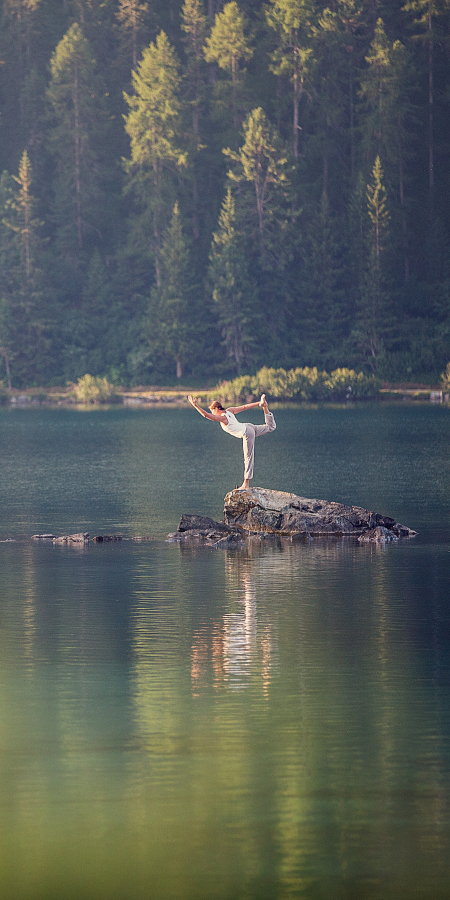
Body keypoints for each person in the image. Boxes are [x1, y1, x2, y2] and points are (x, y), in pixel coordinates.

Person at [187, 392, 276, 491]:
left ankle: (246, 484)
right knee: (270, 427)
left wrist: (195, 405)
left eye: (212, 411)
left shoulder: (223, 418)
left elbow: (206, 415)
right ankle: (265, 407)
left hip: (247, 432)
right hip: (248, 426)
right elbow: (244, 407)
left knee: (248, 458)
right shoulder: (229, 411)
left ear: (216, 409)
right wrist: (259, 403)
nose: (212, 413)